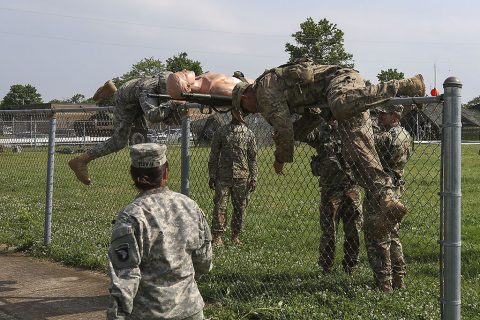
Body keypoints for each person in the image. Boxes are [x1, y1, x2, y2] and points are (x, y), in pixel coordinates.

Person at [229, 59, 424, 237]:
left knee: (339, 104)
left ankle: (404, 85)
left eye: (246, 108)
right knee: (354, 154)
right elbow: (313, 117)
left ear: (246, 96)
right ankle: (387, 199)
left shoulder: (264, 90)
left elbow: (283, 128)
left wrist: (280, 158)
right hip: (333, 97)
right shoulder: (280, 91)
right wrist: (296, 132)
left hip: (340, 82)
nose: (251, 112)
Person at [107, 143, 213, 319]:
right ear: (165, 173)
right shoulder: (190, 206)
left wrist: (116, 316)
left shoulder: (132, 216)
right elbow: (204, 261)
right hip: (190, 309)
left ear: (133, 175)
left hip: (150, 313)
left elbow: (124, 278)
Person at [69, 73, 181, 185]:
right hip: (126, 103)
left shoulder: (169, 82)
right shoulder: (149, 90)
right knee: (119, 141)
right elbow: (153, 115)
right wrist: (171, 103)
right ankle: (81, 160)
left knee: (143, 139)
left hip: (135, 99)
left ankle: (113, 91)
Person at [363, 105, 412, 292]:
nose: (380, 116)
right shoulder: (404, 134)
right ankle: (399, 279)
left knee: (377, 236)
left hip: (382, 191)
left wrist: (366, 121)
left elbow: (367, 140)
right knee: (392, 236)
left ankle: (383, 283)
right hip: (395, 187)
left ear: (395, 116)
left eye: (384, 113)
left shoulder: (387, 137)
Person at [305, 119, 362, 274]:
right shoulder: (321, 131)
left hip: (351, 188)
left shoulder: (352, 128)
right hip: (330, 189)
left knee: (353, 230)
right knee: (329, 231)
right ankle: (325, 267)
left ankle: (351, 266)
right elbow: (304, 134)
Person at [208, 112, 258, 246]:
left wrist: (254, 177)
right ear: (232, 113)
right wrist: (212, 175)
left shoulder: (248, 133)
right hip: (223, 176)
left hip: (242, 177)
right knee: (220, 206)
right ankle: (217, 236)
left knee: (240, 207)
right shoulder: (221, 131)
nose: (239, 115)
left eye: (242, 112)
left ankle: (235, 235)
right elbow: (214, 154)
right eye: (236, 111)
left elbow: (252, 158)